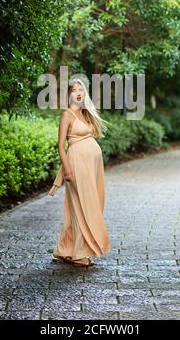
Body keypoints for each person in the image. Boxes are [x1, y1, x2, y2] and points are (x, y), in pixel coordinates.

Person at [48, 78, 112, 267]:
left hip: (93, 167)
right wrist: (67, 168)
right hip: (76, 165)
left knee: (87, 205)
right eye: (74, 90)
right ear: (68, 95)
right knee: (83, 206)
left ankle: (65, 249)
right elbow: (61, 146)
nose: (78, 93)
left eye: (81, 90)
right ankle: (78, 254)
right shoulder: (67, 115)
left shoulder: (86, 114)